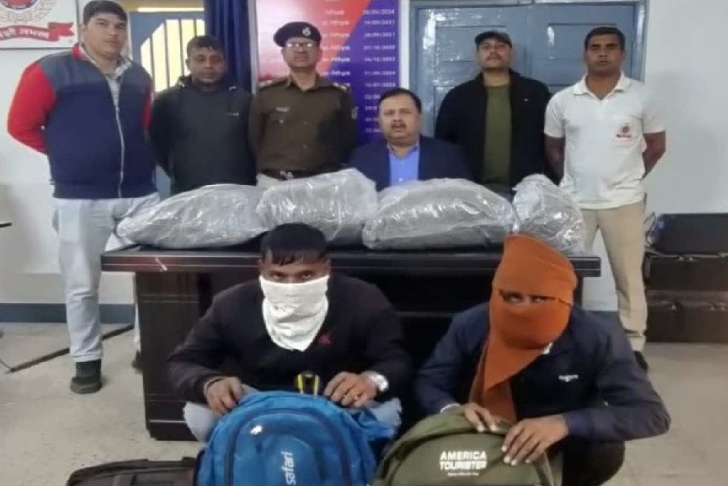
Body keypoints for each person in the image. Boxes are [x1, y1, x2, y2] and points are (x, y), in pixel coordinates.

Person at [414, 234, 670, 486]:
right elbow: (430, 381)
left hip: (558, 439)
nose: (525, 309)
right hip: (483, 432)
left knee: (604, 451)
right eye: (513, 297)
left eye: (539, 299)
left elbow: (651, 414)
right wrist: (451, 410)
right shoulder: (471, 324)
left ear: (563, 300)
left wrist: (565, 423)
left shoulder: (596, 336)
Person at [6, 0, 158, 394]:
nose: (113, 33)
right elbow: (20, 126)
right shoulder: (49, 71)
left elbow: (143, 127)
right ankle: (86, 359)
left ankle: (147, 348)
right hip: (80, 197)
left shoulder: (139, 76)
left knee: (151, 279)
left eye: (119, 26)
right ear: (83, 28)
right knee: (81, 284)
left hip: (140, 194)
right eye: (103, 24)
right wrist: (68, 156)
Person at [167, 223, 412, 442]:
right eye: (278, 276)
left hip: (337, 406)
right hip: (257, 404)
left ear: (326, 268)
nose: (291, 287)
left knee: (386, 414)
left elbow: (396, 360)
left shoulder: (364, 299)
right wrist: (209, 383)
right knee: (200, 414)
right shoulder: (231, 303)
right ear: (260, 269)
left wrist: (371, 380)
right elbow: (182, 362)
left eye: (306, 275)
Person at [544, 26, 667, 370]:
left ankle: (633, 344)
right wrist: (572, 180)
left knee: (629, 277)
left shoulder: (641, 97)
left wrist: (630, 178)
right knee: (564, 275)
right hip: (575, 203)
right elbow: (553, 148)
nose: (602, 53)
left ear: (622, 54)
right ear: (584, 54)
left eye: (610, 47)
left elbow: (657, 146)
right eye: (595, 47)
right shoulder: (563, 100)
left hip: (624, 202)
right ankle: (562, 337)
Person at [435, 30, 555, 191]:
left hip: (527, 189)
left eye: (500, 46)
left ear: (511, 53)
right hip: (471, 189)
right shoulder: (458, 96)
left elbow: (552, 138)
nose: (493, 51)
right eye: (486, 47)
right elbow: (443, 144)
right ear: (476, 55)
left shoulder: (536, 92)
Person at [249, 22, 359, 188]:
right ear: (283, 53)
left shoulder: (338, 95)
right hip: (275, 182)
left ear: (319, 53)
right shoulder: (267, 94)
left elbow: (348, 140)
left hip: (323, 183)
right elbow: (254, 140)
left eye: (308, 45)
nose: (300, 50)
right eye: (293, 45)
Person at [149, 35, 255, 195]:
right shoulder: (167, 101)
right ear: (188, 63)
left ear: (225, 64)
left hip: (238, 194)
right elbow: (158, 146)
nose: (208, 65)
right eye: (200, 59)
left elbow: (255, 147)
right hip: (186, 194)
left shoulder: (245, 100)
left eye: (215, 59)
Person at [347, 88, 472, 191]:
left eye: (405, 112)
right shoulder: (361, 158)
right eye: (389, 113)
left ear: (419, 118)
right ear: (379, 121)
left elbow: (464, 200)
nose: (397, 119)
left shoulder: (448, 155)